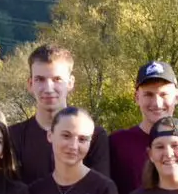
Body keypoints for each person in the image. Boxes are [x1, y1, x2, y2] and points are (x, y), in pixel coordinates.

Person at [109, 60, 178, 194]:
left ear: (177, 97)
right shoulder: (117, 144)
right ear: (136, 97)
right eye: (148, 94)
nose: (157, 103)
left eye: (164, 94)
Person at [7, 44, 111, 184]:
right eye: (40, 79)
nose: (48, 88)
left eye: (57, 79)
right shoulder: (13, 137)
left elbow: (99, 191)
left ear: (70, 83)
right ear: (30, 84)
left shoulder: (93, 137)